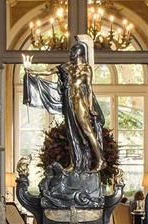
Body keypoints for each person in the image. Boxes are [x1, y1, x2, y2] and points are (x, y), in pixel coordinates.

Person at [22, 39, 105, 173]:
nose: (71, 54)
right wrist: (30, 70)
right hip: (69, 102)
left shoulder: (86, 69)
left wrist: (91, 108)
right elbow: (48, 72)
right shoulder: (66, 67)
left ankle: (101, 160)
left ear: (79, 52)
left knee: (86, 130)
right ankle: (75, 162)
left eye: (73, 51)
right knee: (71, 133)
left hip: (80, 102)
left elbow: (89, 89)